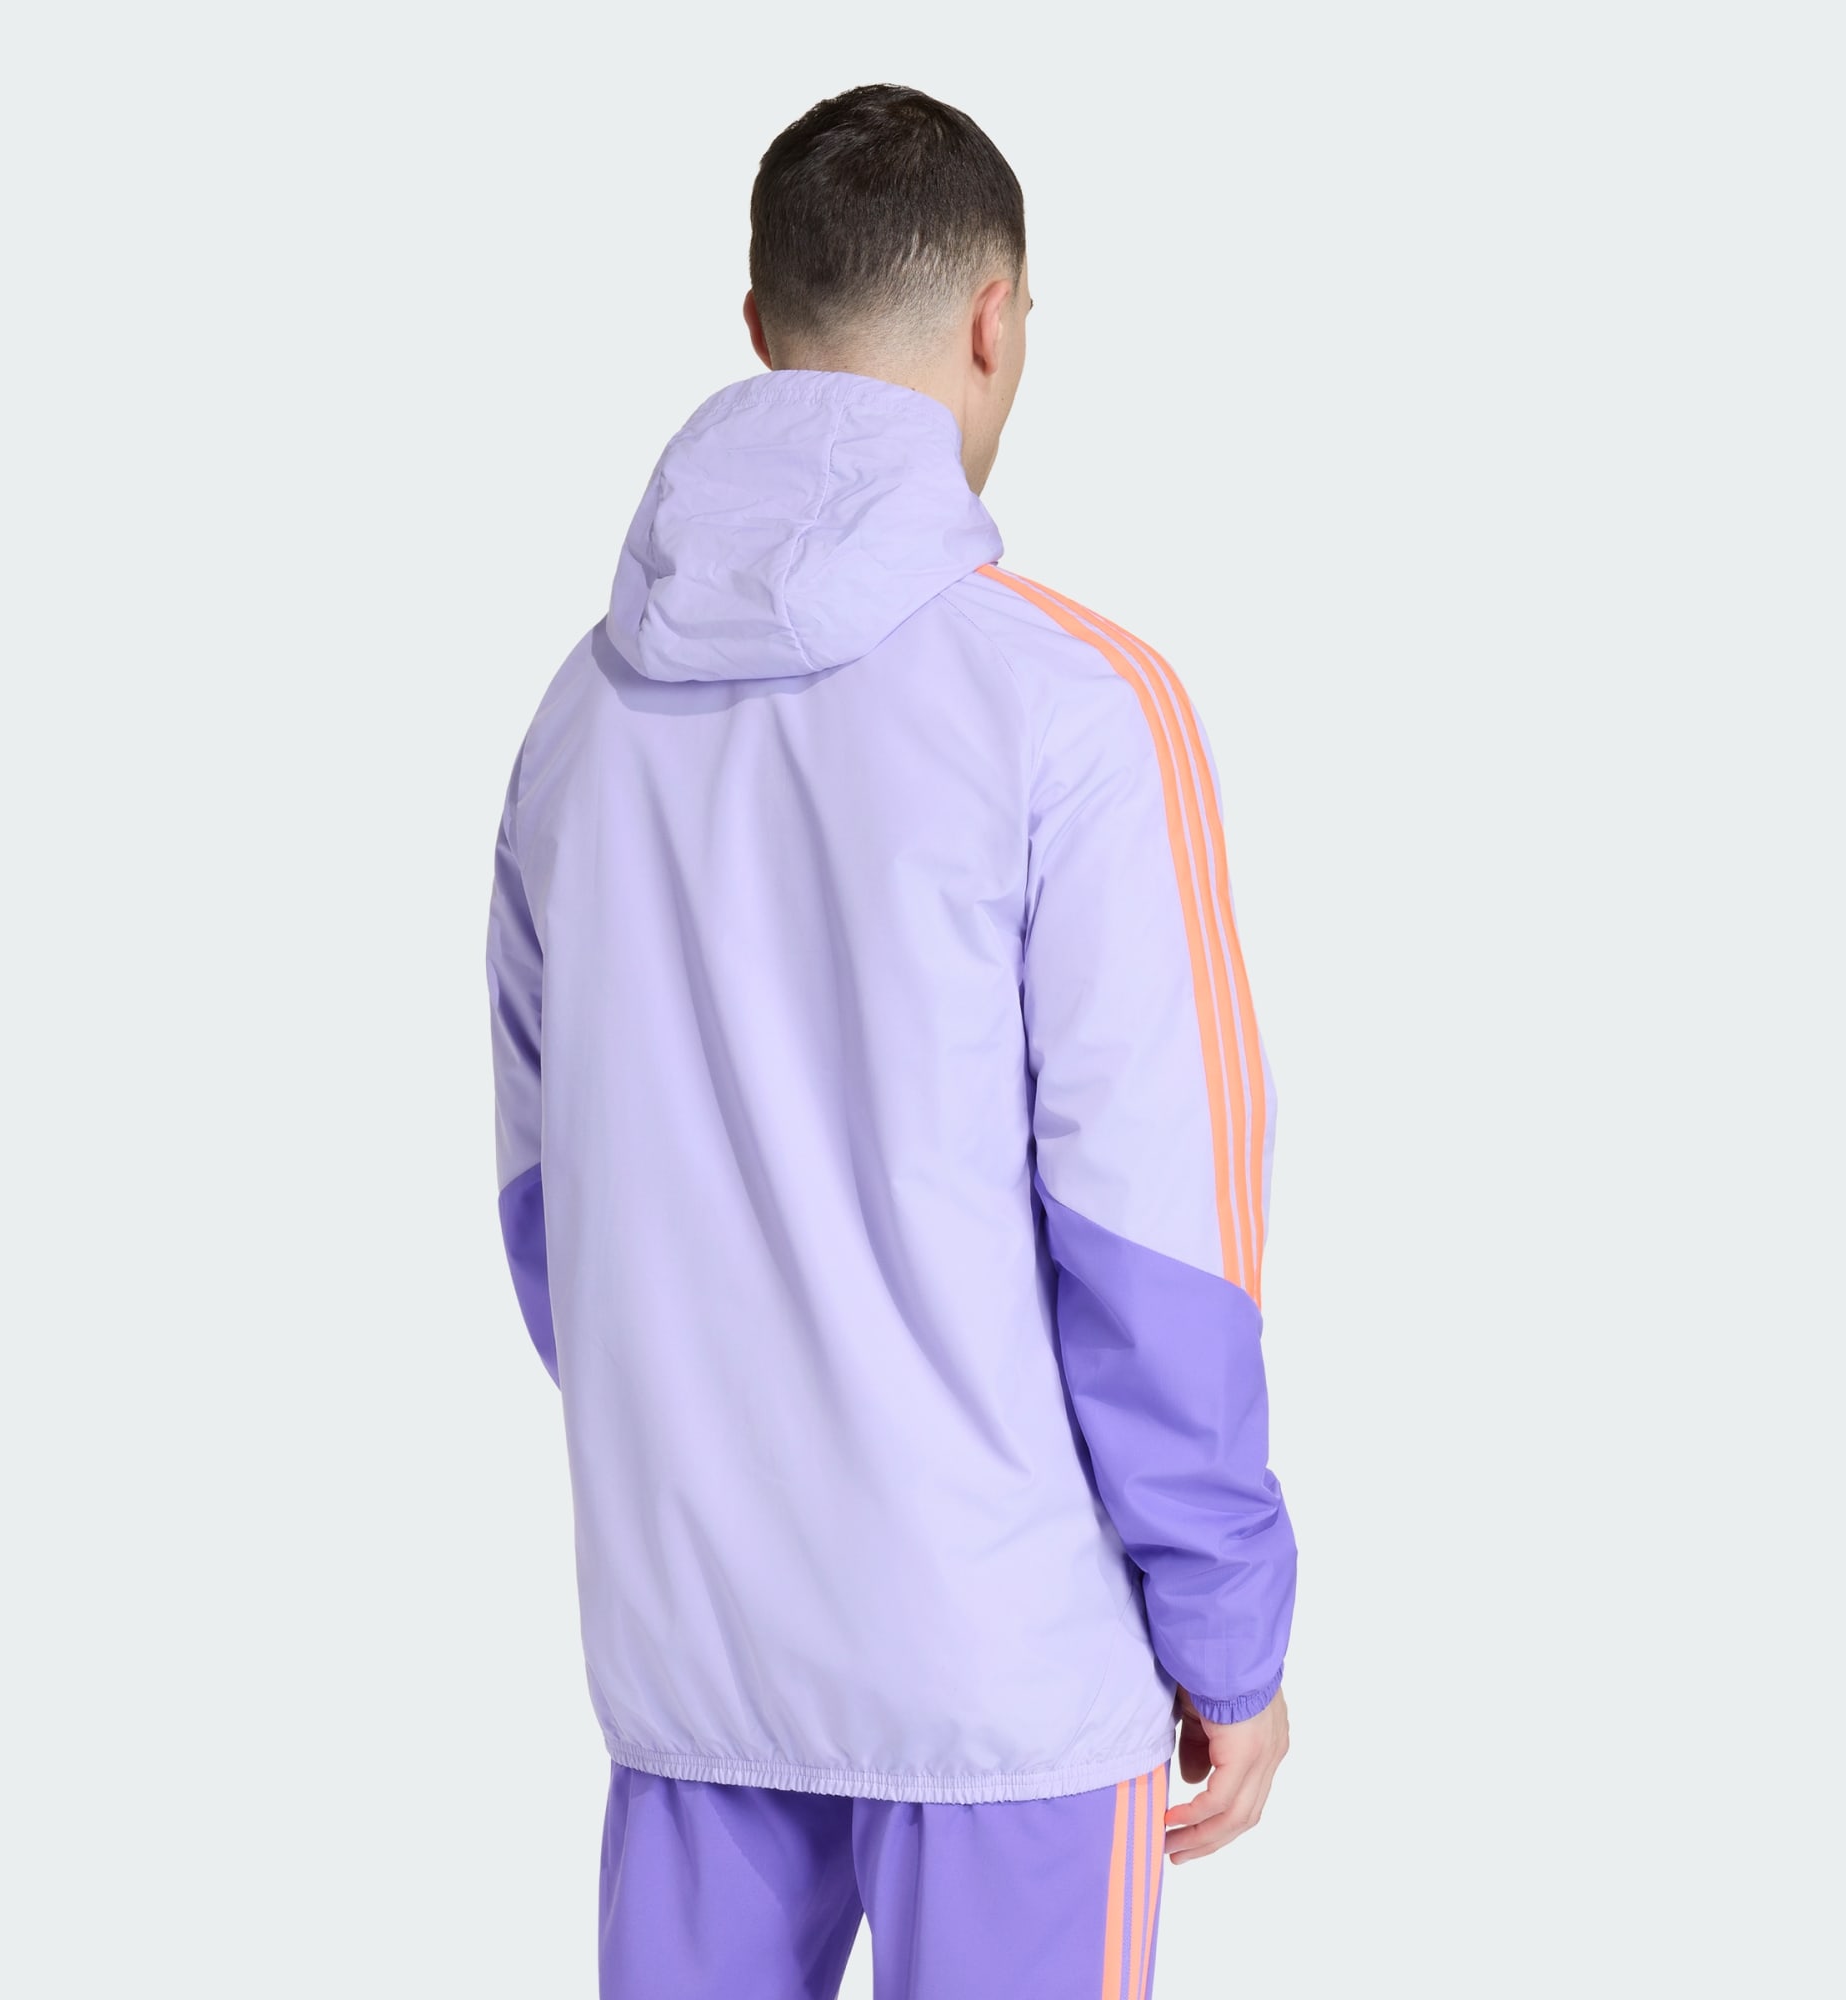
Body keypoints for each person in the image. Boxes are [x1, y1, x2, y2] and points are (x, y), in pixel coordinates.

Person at [486, 82, 1296, 2000]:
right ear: (996, 318)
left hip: (691, 1659)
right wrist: (1227, 1632)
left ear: (758, 325)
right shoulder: (1075, 710)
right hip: (1006, 1680)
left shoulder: (576, 727)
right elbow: (1156, 1236)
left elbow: (551, 1219)